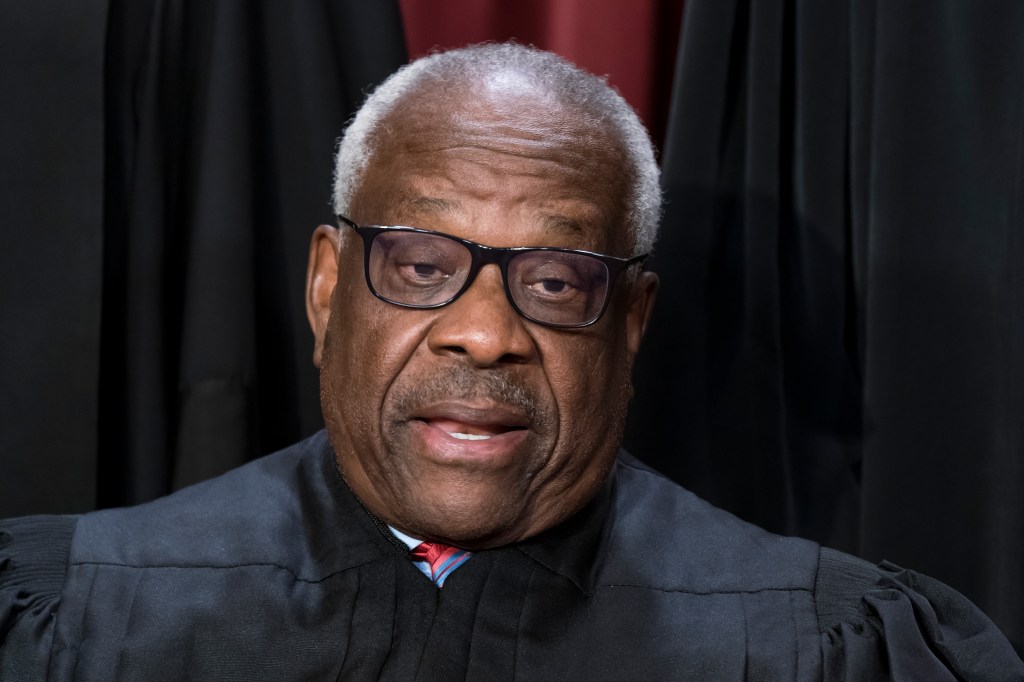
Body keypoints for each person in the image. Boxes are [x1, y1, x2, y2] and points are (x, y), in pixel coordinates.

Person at [1, 43, 1021, 681]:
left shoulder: (825, 649)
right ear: (326, 289)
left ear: (628, 323)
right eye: (421, 262)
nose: (484, 333)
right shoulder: (78, 622)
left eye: (555, 280)